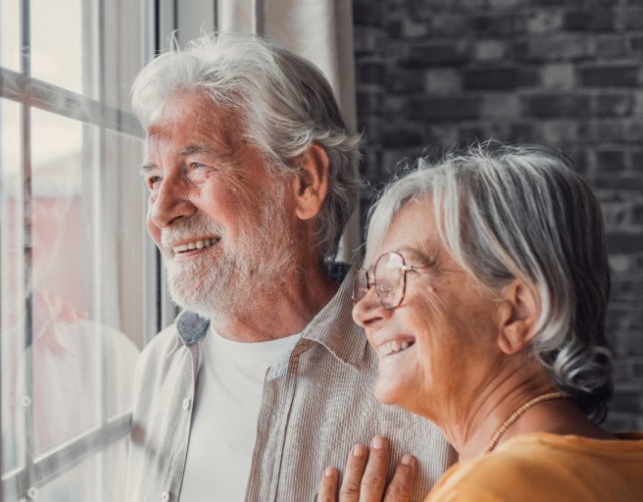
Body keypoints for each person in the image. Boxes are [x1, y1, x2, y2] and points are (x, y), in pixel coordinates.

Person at [125, 32, 453, 502]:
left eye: (196, 167)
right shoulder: (159, 365)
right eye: (154, 179)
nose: (160, 213)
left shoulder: (421, 367)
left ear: (304, 183)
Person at [319, 143, 643, 501]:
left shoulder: (491, 490)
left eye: (394, 280)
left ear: (518, 313)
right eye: (370, 285)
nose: (362, 312)